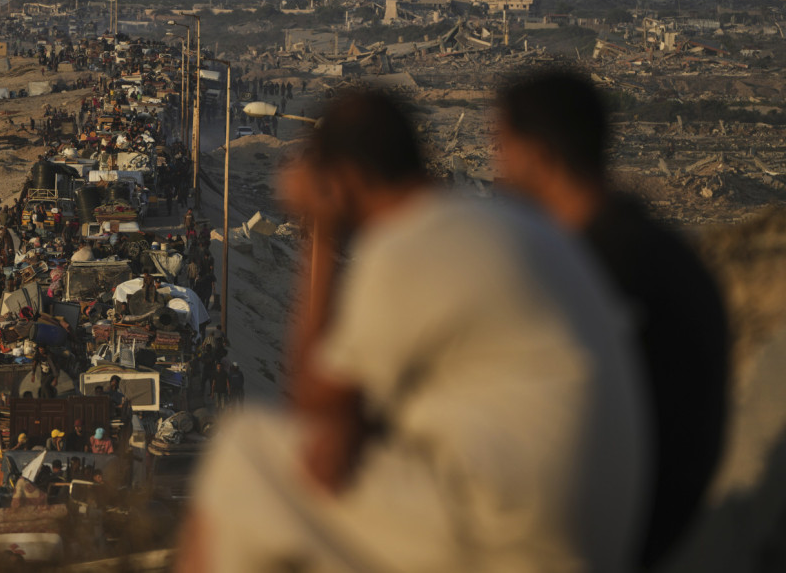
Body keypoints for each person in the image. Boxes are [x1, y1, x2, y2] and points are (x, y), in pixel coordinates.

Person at [176, 91, 648, 572]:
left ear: (344, 179)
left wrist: (319, 225)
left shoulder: (408, 246)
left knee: (244, 453)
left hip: (519, 531)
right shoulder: (509, 222)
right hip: (598, 526)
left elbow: (312, 414)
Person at [493, 68, 730, 569]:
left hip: (624, 535)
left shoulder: (599, 267)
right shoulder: (652, 247)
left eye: (502, 149)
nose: (497, 170)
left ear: (538, 156)